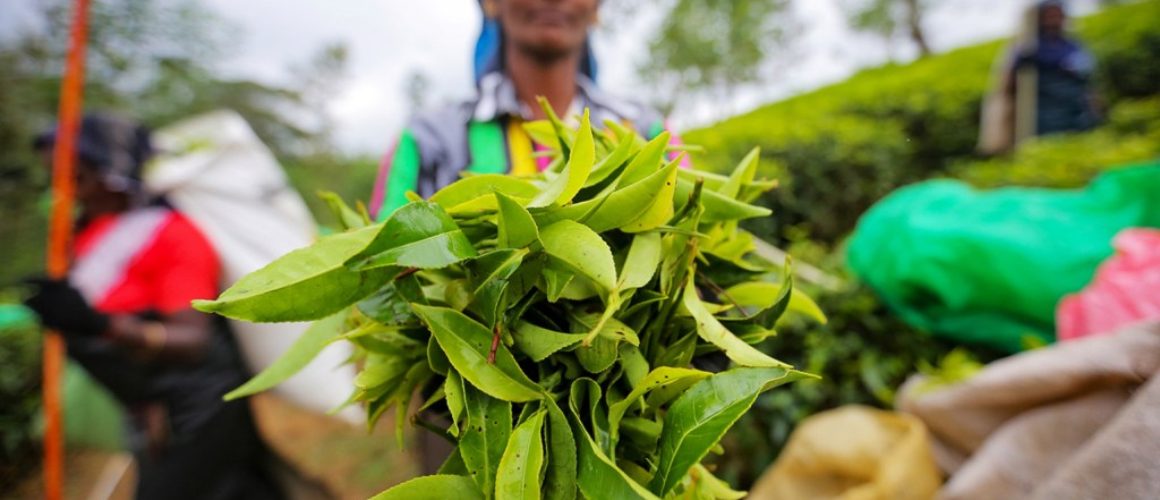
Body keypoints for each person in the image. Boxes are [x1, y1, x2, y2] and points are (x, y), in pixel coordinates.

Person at [23, 114, 281, 500]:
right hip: (152, 406)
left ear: (109, 168)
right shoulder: (86, 235)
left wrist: (98, 324)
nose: (64, 188)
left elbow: (193, 341)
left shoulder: (172, 234)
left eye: (75, 175)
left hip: (199, 408)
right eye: (55, 176)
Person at [368, 0, 672, 220]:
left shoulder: (647, 132)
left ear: (596, 7)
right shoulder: (428, 139)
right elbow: (381, 271)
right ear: (490, 4)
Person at [978, 0, 1100, 154]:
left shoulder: (1072, 44)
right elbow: (1008, 82)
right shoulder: (1028, 46)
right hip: (1045, 112)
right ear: (1040, 18)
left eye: (1058, 15)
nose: (1054, 19)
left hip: (1076, 109)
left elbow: (1086, 74)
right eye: (1049, 15)